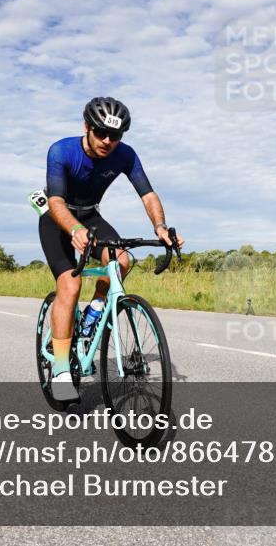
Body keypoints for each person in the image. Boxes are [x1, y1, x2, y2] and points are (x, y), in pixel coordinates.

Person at [38, 96, 184, 397]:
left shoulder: (125, 155)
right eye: (101, 132)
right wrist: (74, 229)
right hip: (57, 217)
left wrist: (160, 227)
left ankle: (95, 310)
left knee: (123, 261)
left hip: (90, 215)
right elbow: (55, 202)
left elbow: (148, 195)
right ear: (86, 127)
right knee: (70, 284)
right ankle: (62, 370)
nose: (107, 140)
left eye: (115, 135)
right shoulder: (62, 151)